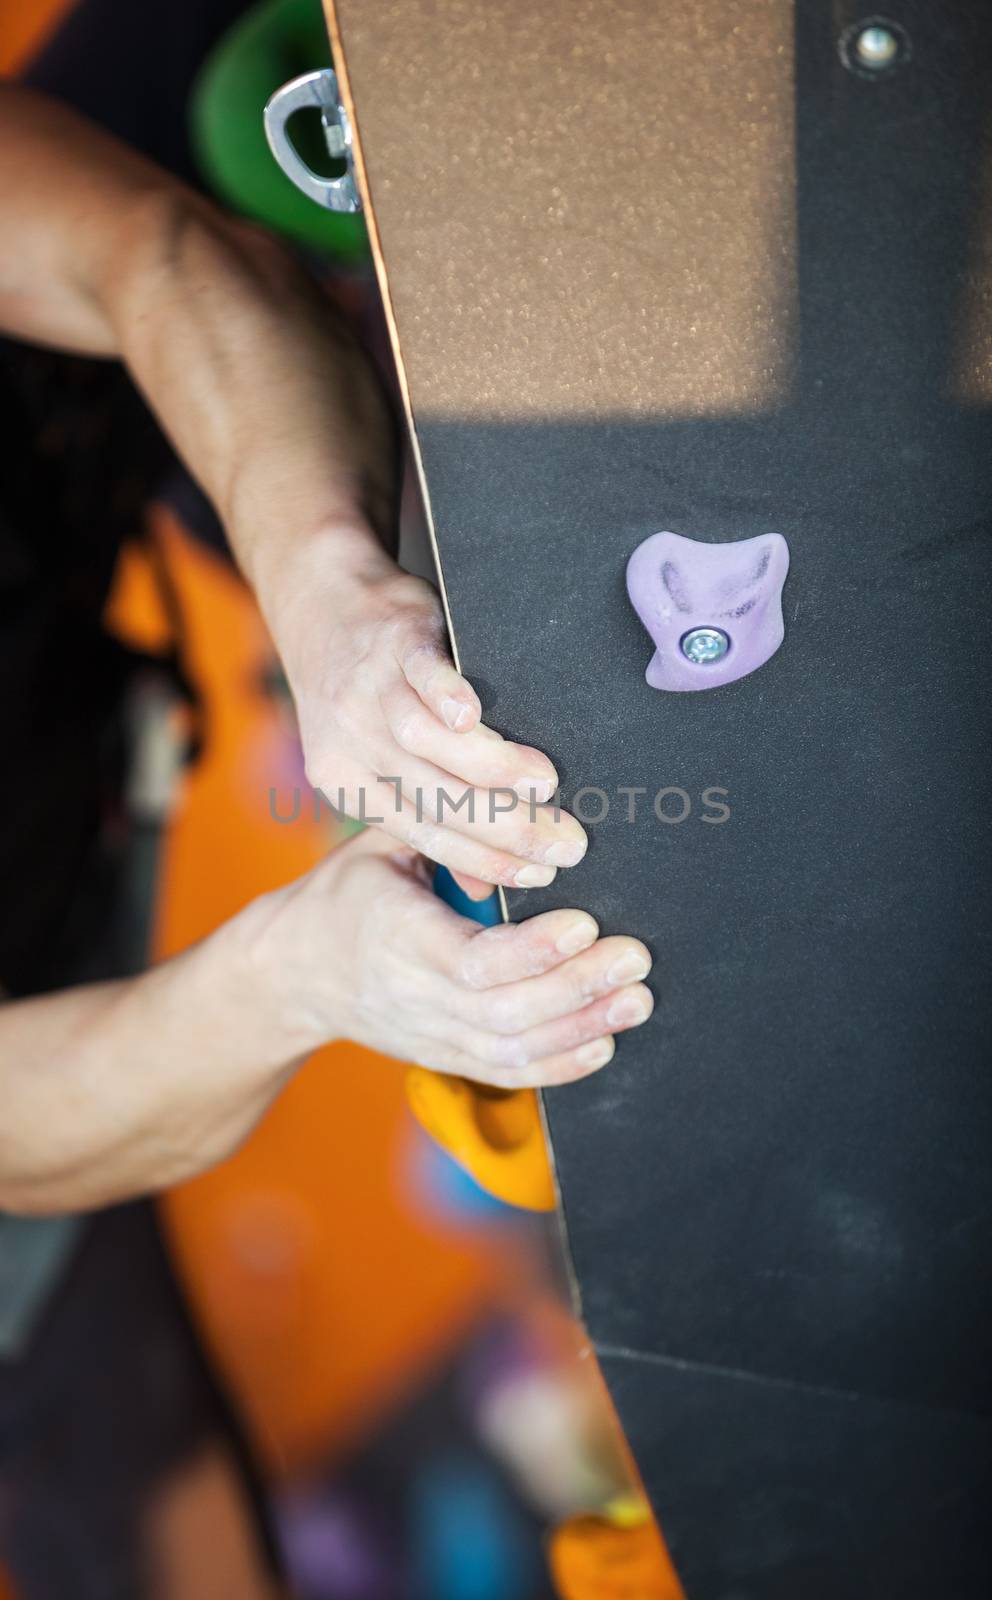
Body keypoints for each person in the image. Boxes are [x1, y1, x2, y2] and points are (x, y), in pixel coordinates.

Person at [0, 85, 654, 1595]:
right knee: (121, 1496)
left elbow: (154, 253)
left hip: (63, 617)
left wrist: (331, 600)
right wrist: (301, 975)